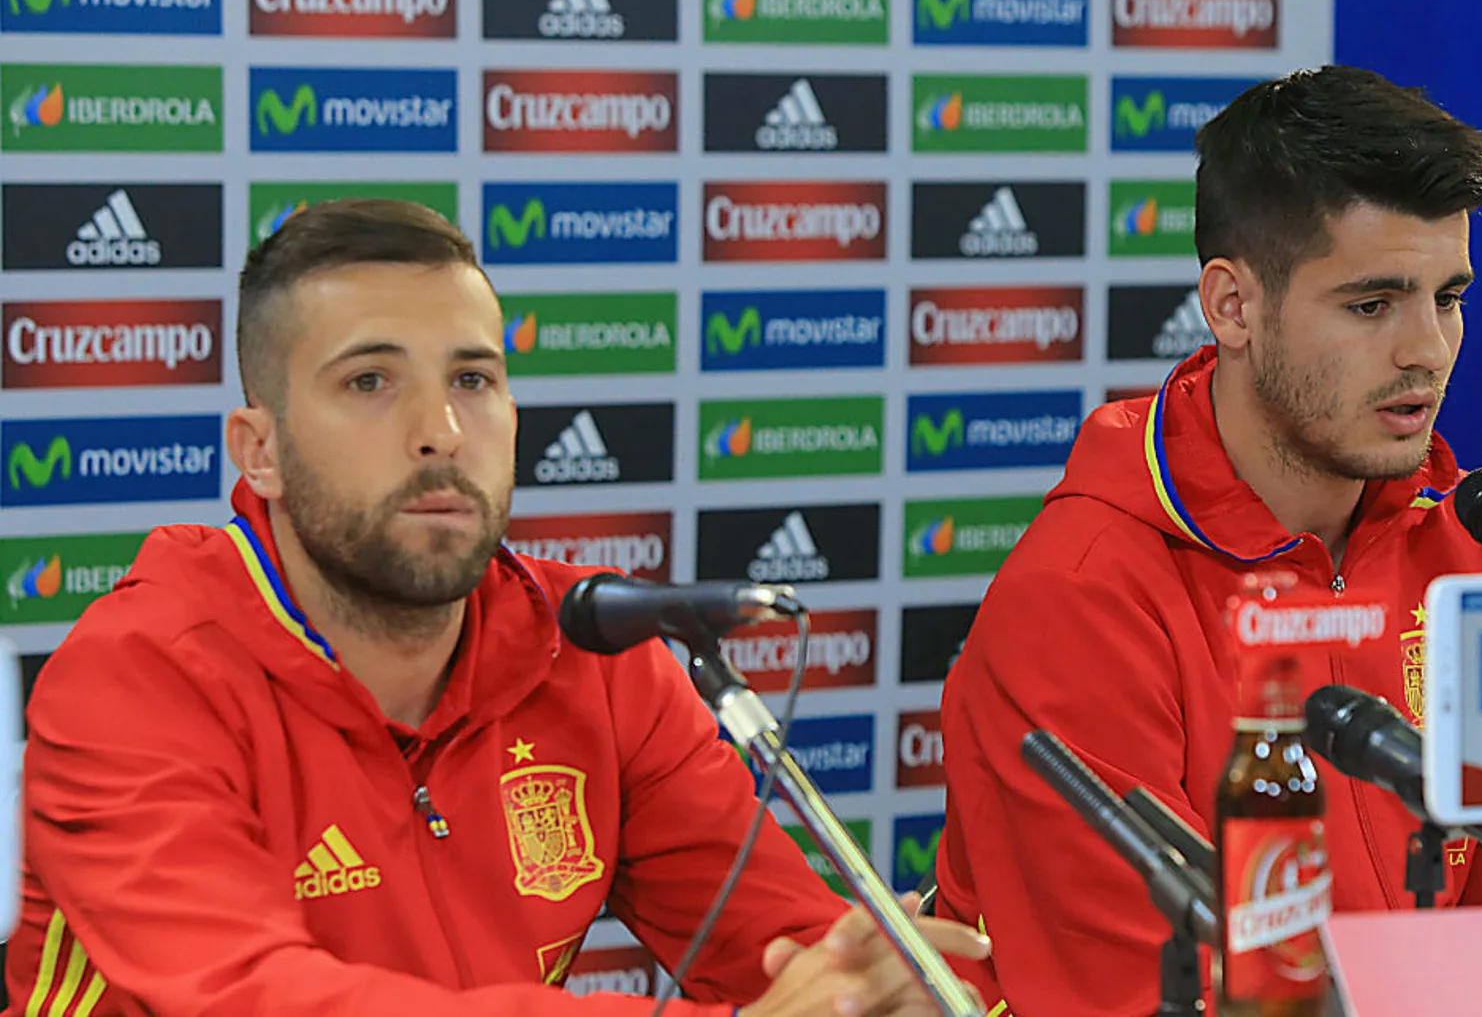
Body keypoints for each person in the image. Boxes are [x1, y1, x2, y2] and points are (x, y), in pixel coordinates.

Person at [4, 199, 987, 1017]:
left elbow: (782, 950)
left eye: (472, 379)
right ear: (258, 449)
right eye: (370, 381)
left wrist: (875, 988)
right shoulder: (138, 675)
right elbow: (254, 998)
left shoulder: (592, 644)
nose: (439, 432)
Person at [934, 65, 1482, 1014]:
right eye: (1372, 305)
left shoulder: (1478, 548)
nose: (1427, 348)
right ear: (1233, 307)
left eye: (1447, 297)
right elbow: (1140, 991)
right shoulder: (1082, 595)